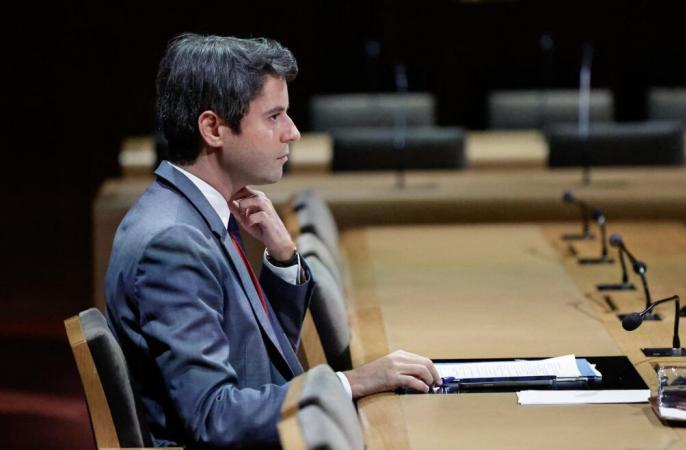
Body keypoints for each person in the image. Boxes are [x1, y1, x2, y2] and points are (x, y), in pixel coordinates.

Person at [105, 33, 440, 449]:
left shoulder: (194, 212)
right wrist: (349, 383)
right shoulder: (173, 242)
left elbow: (258, 364)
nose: (293, 133)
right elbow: (214, 416)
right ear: (213, 128)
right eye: (274, 116)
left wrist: (282, 259)